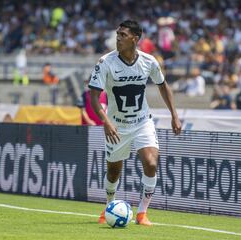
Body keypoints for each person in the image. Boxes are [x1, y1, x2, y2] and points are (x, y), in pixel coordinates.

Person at [89, 20, 181, 226]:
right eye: (117, 34)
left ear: (135, 39)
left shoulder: (149, 62)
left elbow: (163, 86)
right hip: (116, 125)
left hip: (142, 122)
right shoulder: (105, 62)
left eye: (123, 35)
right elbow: (94, 97)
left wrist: (174, 114)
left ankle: (142, 213)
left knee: (151, 163)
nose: (118, 38)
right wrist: (105, 121)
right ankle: (109, 206)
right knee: (113, 171)